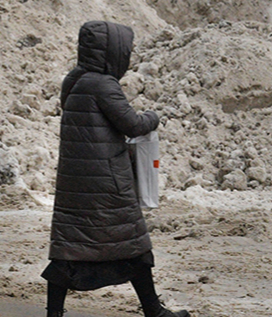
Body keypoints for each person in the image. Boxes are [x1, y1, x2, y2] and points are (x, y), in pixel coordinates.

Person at [42, 20, 189, 317]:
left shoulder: (72, 80)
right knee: (133, 243)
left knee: (69, 248)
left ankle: (53, 314)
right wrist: (153, 117)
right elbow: (132, 124)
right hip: (107, 183)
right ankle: (154, 311)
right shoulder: (104, 85)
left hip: (75, 183)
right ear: (112, 52)